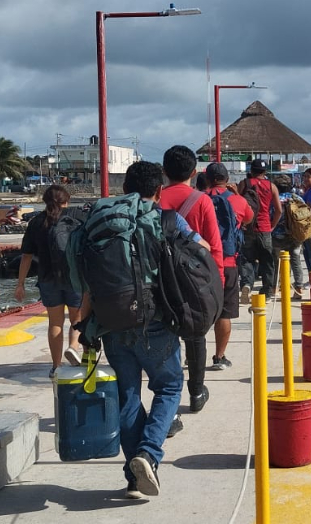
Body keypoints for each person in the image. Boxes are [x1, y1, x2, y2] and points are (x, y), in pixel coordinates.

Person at [76, 160, 208, 499]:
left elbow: (87, 285)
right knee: (169, 386)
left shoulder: (101, 221)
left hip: (111, 322)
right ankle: (148, 453)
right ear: (158, 189)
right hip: (155, 322)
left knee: (127, 396)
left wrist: (83, 327)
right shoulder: (166, 219)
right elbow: (203, 250)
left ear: (125, 190)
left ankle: (134, 478)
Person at [158, 146, 223, 416]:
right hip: (193, 280)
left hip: (159, 280)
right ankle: (196, 392)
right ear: (194, 172)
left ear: (164, 171)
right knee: (196, 337)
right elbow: (214, 246)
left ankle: (167, 402)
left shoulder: (154, 198)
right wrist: (215, 284)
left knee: (165, 339)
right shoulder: (202, 200)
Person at [15, 185, 83, 378]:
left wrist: (20, 284)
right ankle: (73, 347)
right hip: (74, 278)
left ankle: (56, 366)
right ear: (66, 201)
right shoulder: (74, 220)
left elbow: (26, 256)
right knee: (77, 320)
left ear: (44, 201)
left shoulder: (36, 223)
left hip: (47, 279)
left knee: (55, 324)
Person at [205, 163, 253, 371]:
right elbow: (249, 219)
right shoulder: (238, 201)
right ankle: (219, 357)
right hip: (228, 263)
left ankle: (194, 355)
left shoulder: (198, 198)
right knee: (225, 312)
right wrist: (238, 195)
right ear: (227, 179)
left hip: (200, 263)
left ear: (207, 179)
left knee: (198, 310)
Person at [238, 159, 282, 299]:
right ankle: (267, 292)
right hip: (264, 228)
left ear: (251, 171)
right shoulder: (272, 186)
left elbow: (238, 205)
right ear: (265, 172)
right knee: (267, 260)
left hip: (248, 227)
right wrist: (272, 225)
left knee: (247, 259)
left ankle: (247, 284)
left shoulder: (244, 184)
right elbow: (279, 210)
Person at [272, 174, 311, 298]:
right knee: (295, 261)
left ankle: (275, 288)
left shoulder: (273, 199)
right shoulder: (297, 198)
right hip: (295, 235)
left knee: (276, 263)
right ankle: (299, 288)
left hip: (277, 235)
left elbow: (269, 215)